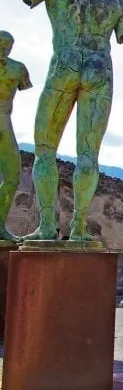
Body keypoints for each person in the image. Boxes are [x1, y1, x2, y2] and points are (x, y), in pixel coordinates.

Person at [18, 0, 123, 242]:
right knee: (88, 156)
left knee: (45, 150)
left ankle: (46, 226)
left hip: (64, 63)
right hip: (99, 69)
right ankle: (79, 227)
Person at [0, 31, 31, 242]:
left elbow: (24, 86)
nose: (4, 49)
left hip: (4, 123)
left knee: (12, 175)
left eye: (7, 46)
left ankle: (0, 225)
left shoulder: (17, 68)